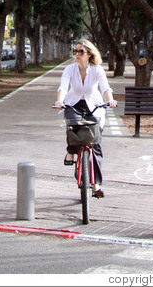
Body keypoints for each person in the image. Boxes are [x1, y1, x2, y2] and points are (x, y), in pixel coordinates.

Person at [53, 38, 116, 198]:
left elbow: (105, 87)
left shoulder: (97, 69)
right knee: (72, 124)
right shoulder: (70, 69)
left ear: (89, 54)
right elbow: (63, 86)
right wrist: (60, 101)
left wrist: (110, 99)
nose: (77, 54)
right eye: (76, 51)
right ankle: (71, 151)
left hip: (93, 105)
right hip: (73, 103)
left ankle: (96, 185)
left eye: (81, 51)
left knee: (95, 144)